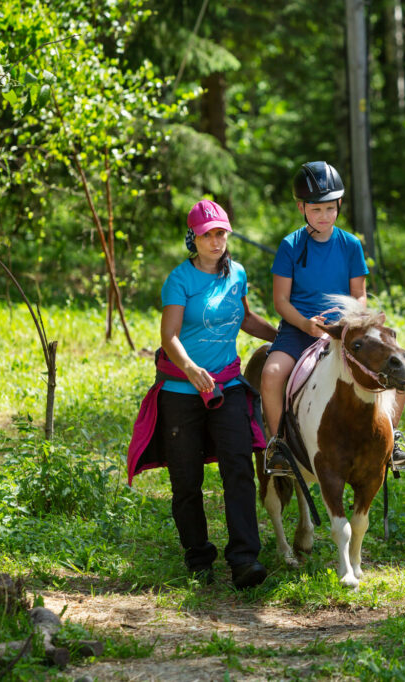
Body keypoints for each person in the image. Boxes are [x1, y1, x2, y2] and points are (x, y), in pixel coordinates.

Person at [260, 161, 405, 473]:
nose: (324, 216)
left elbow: (359, 294)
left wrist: (348, 320)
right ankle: (280, 445)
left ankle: (392, 437)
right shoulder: (290, 245)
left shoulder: (350, 245)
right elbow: (280, 301)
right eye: (316, 210)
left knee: (397, 369)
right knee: (271, 374)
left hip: (346, 331)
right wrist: (307, 324)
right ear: (301, 207)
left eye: (330, 209)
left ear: (339, 205)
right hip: (299, 328)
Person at [156, 199, 277, 589]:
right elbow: (169, 335)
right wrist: (190, 369)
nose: (216, 240)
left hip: (228, 387)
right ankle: (198, 557)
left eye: (221, 232)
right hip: (181, 390)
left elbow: (245, 318)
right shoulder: (180, 280)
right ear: (193, 237)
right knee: (186, 479)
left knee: (239, 469)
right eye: (208, 234)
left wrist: (285, 335)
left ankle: (244, 559)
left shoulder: (236, 273)